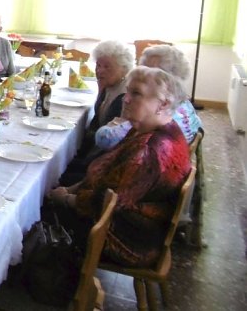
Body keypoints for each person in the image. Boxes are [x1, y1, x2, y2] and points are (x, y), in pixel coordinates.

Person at [48, 66, 192, 268]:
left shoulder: (149, 152)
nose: (126, 99)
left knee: (38, 207)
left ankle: (44, 277)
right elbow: (108, 174)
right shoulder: (154, 128)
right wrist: (72, 189)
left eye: (137, 94)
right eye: (128, 91)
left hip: (128, 238)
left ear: (163, 104)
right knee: (53, 185)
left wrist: (66, 198)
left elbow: (107, 203)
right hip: (128, 220)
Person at [58, 40, 134, 186]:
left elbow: (104, 138)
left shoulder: (124, 98)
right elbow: (98, 120)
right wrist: (101, 90)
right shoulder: (111, 85)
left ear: (125, 69)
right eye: (98, 65)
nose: (100, 70)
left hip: (101, 166)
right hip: (96, 156)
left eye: (107, 67)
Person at [95, 44, 202, 149]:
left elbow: (105, 139)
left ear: (166, 78)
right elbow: (199, 127)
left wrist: (115, 124)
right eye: (142, 68)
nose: (141, 74)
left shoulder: (153, 112)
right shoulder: (185, 104)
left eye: (149, 71)